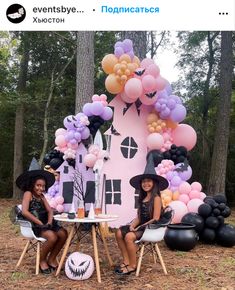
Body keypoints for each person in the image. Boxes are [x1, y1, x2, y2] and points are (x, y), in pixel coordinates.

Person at [115, 157, 169, 275]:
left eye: (148, 181)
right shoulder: (142, 198)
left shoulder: (156, 198)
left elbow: (155, 218)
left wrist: (139, 228)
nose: (146, 183)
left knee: (129, 237)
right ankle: (126, 260)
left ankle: (133, 265)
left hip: (151, 227)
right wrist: (132, 225)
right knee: (119, 232)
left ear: (154, 183)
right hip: (141, 226)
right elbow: (139, 216)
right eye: (143, 181)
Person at [16, 161, 68, 274]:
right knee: (52, 237)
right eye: (38, 185)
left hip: (46, 223)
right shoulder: (28, 194)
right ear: (32, 185)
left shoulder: (42, 196)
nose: (41, 188)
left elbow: (49, 210)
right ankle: (42, 261)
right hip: (35, 224)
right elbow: (25, 212)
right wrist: (39, 222)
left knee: (63, 233)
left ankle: (52, 258)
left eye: (43, 186)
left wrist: (49, 222)